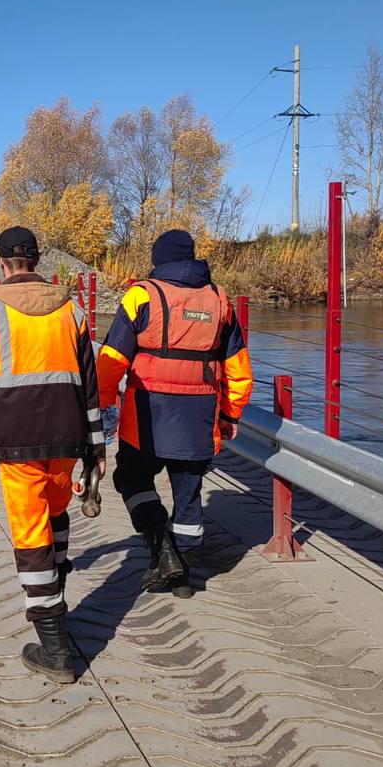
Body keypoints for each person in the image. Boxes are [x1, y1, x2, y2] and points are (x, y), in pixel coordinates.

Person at [0, 227, 105, 682]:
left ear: (1, 263)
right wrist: (97, 446)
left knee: (31, 534)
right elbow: (90, 383)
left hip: (17, 439)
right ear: (36, 260)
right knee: (56, 515)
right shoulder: (71, 310)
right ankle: (55, 592)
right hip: (69, 437)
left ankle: (54, 649)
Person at [97, 229, 253, 597]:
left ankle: (161, 549)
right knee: (188, 493)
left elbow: (111, 360)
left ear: (158, 260)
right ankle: (183, 576)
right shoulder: (220, 301)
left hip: (146, 418)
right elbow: (239, 368)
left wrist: (102, 404)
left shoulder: (143, 296)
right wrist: (229, 416)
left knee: (132, 480)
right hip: (199, 418)